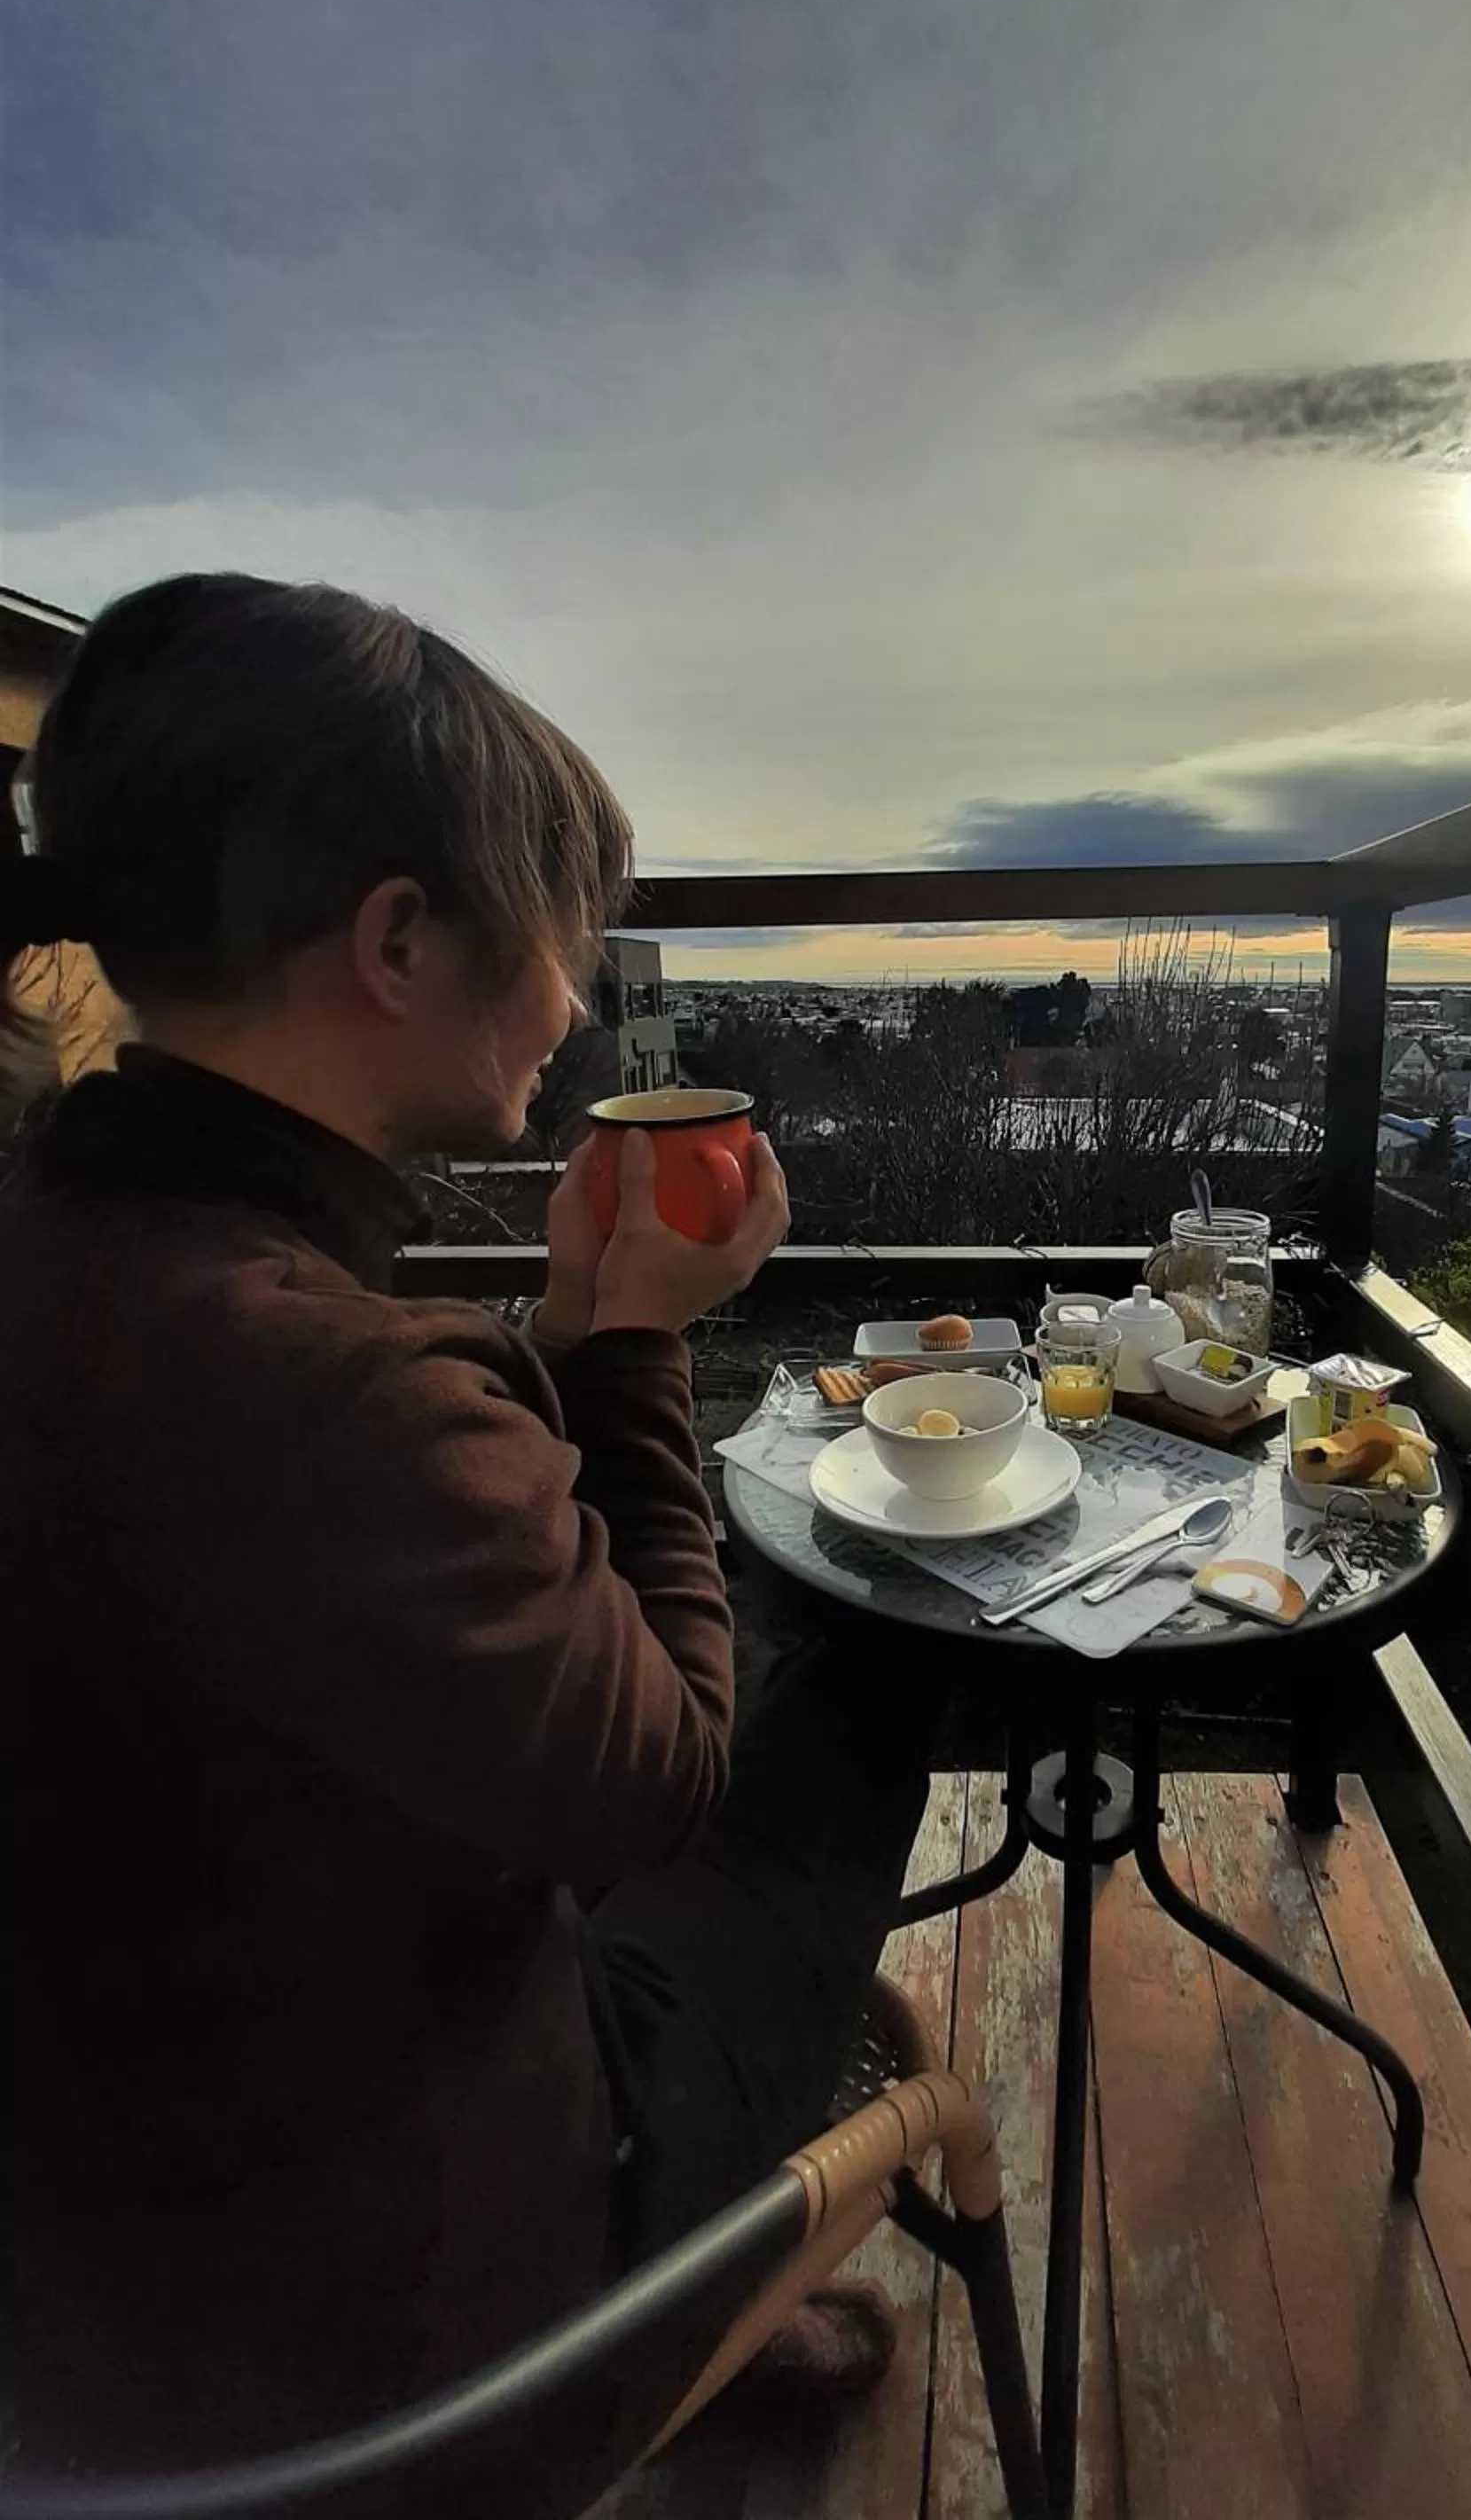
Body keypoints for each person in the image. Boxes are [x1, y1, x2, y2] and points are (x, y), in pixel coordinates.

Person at [0, 575, 936, 2482]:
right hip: (382, 2335)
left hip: (93, 2223)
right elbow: (660, 1778)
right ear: (404, 939)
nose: (577, 996)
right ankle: (678, 2278)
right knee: (855, 1685)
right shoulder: (316, 1382)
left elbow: (323, 1574)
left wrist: (562, 1346)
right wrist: (637, 1346)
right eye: (560, 933)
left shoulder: (91, 1252)